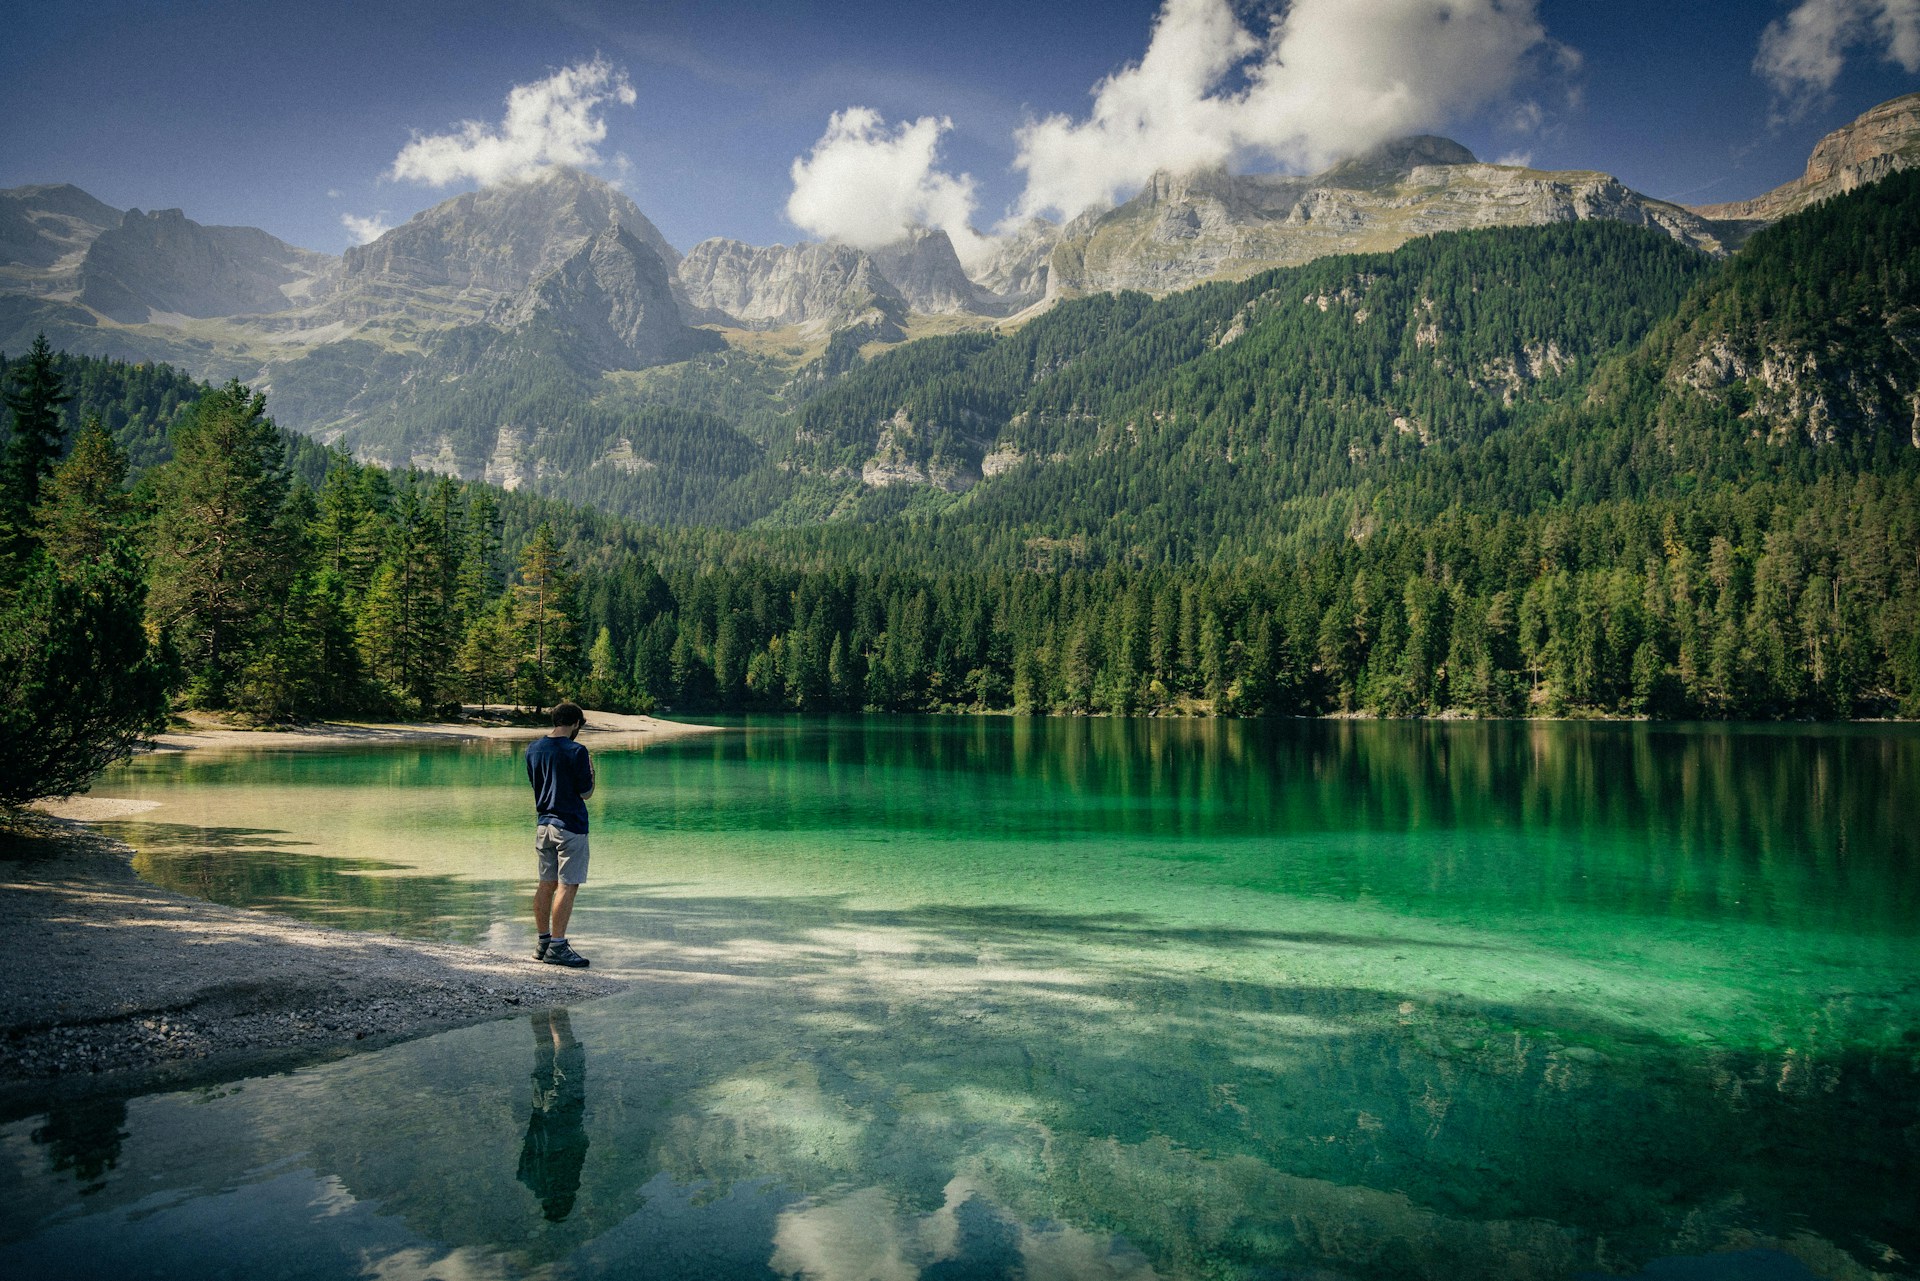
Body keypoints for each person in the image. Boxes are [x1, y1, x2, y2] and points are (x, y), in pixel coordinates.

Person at [526, 701, 595, 967]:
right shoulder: (577, 751)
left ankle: (543, 942)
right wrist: (592, 772)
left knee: (546, 884)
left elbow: (538, 785)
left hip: (543, 824)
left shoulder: (533, 749)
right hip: (571, 825)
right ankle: (558, 945)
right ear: (576, 723)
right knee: (568, 885)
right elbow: (586, 793)